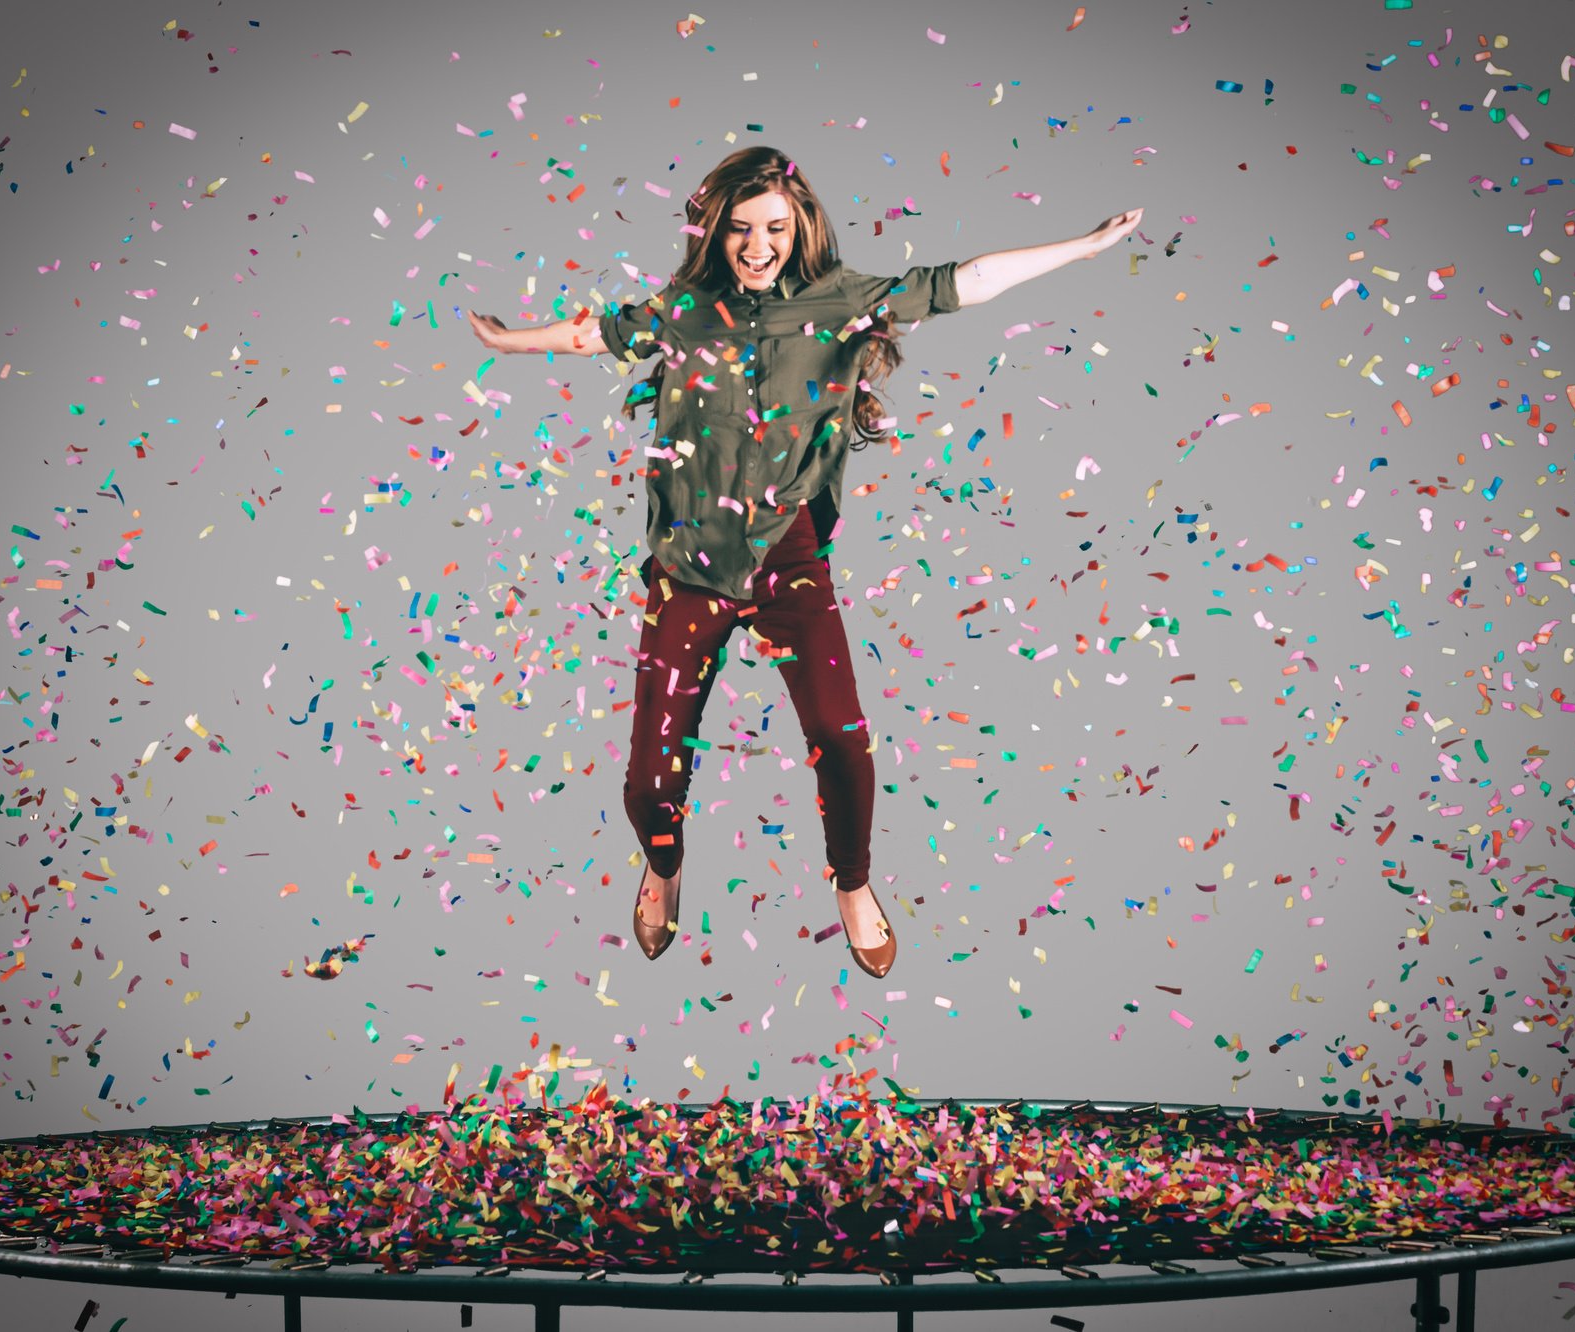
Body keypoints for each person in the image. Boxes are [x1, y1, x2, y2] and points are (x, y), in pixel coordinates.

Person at [470, 146, 1141, 979]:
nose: (757, 245)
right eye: (741, 230)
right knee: (648, 777)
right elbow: (599, 333)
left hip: (788, 557)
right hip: (689, 565)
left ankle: (854, 886)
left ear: (800, 230)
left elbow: (958, 283)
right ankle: (665, 865)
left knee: (841, 740)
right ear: (715, 234)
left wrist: (1077, 249)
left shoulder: (843, 301)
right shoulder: (684, 310)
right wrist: (510, 343)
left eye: (775, 229)